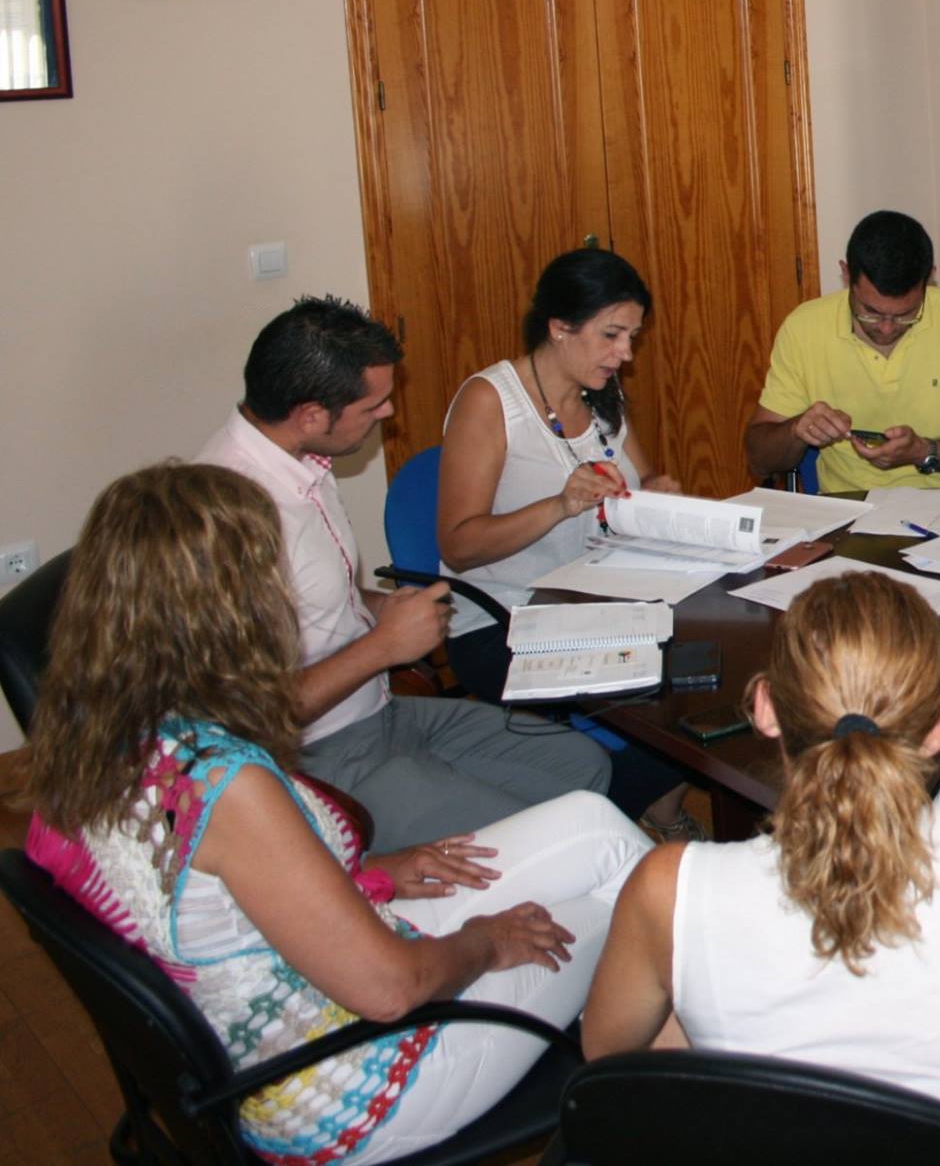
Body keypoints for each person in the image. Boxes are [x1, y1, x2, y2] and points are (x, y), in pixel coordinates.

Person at [21, 463, 652, 1163]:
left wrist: (372, 870)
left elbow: (217, 891)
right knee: (647, 911)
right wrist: (485, 942)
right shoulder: (227, 784)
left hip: (322, 977)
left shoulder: (94, 744)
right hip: (358, 1082)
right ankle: (653, 1106)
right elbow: (393, 989)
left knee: (595, 825)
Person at [581, 571, 940, 1165]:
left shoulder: (668, 890)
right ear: (938, 729)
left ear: (764, 708)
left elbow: (608, 1062)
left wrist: (704, 1012)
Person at [196, 296, 611, 849]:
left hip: (380, 713)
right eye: (373, 406)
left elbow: (314, 599)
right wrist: (385, 645)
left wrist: (380, 606)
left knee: (581, 765)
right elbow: (249, 712)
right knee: (545, 837)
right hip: (312, 756)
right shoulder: (226, 516)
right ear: (311, 415)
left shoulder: (301, 459)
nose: (388, 413)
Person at [438, 248, 681, 701]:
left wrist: (656, 492)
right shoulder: (489, 400)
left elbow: (643, 479)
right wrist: (560, 506)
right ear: (559, 327)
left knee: (696, 655)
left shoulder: (601, 390)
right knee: (655, 688)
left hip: (596, 602)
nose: (626, 353)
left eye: (632, 336)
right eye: (611, 335)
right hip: (506, 621)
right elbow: (458, 547)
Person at [744, 210, 940, 494]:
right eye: (870, 311)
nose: (887, 327)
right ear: (846, 274)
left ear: (929, 279)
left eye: (906, 314)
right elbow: (759, 460)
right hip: (848, 506)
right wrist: (796, 430)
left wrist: (927, 452)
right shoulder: (805, 327)